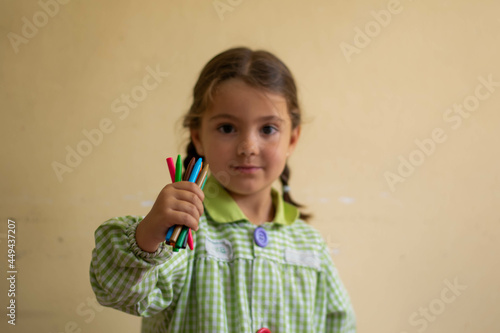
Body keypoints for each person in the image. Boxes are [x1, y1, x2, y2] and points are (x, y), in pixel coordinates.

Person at [90, 47, 356, 332]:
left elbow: (340, 325)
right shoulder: (182, 234)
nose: (248, 148)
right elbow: (118, 292)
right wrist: (149, 232)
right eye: (227, 128)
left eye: (267, 129)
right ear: (198, 136)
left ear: (293, 138)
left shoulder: (310, 245)